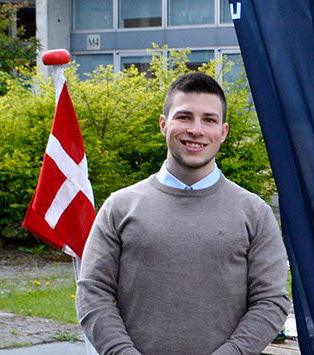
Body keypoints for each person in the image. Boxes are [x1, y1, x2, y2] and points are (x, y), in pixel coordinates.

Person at [76, 72, 291, 355]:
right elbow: (94, 293)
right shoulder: (120, 207)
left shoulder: (255, 213)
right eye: (184, 117)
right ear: (164, 125)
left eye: (209, 120)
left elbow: (271, 301)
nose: (196, 130)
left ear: (223, 132)